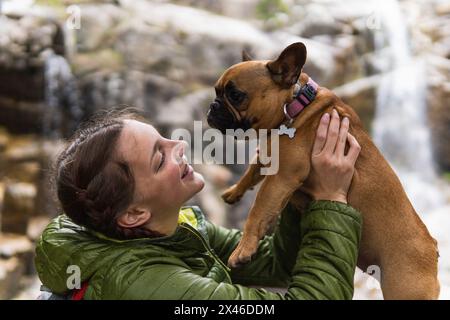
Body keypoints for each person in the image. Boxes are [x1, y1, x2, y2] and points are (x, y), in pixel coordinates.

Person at [35, 108, 362, 300]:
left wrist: (295, 183)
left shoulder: (175, 229)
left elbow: (275, 262)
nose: (178, 144)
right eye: (159, 159)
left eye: (163, 137)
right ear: (134, 214)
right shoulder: (142, 283)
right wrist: (331, 198)